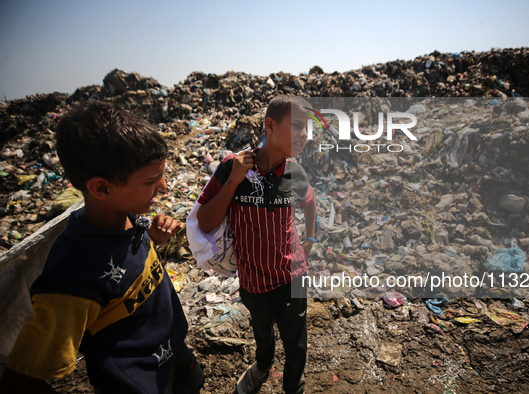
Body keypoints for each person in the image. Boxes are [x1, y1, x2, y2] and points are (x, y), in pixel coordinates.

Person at [0, 101, 203, 394]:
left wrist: (153, 241)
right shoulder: (71, 278)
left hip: (173, 351)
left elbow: (129, 276)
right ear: (102, 188)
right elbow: (20, 380)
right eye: (151, 180)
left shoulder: (126, 216)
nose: (164, 186)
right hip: (136, 382)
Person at [196, 95, 316, 394]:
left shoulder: (296, 173)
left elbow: (310, 201)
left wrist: (311, 238)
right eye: (297, 125)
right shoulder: (232, 167)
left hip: (295, 275)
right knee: (262, 333)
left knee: (297, 341)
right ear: (270, 126)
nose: (304, 135)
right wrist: (234, 181)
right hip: (253, 279)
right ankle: (262, 365)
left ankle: (293, 386)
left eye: (307, 128)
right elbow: (206, 223)